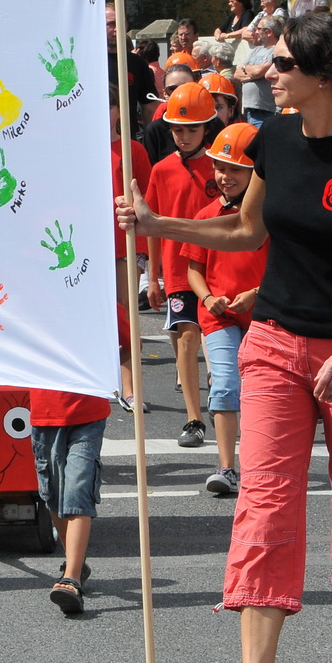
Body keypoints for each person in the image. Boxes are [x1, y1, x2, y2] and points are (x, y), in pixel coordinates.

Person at [118, 12, 332, 663]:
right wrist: (157, 224)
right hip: (275, 346)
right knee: (262, 511)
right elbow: (243, 228)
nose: (267, 70)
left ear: (325, 75)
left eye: (281, 63)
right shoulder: (272, 137)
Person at [182, 122, 267, 499]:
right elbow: (193, 270)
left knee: (263, 393)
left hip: (265, 316)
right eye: (220, 167)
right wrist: (206, 298)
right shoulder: (205, 216)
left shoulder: (271, 216)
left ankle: (261, 464)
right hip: (218, 318)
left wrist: (255, 293)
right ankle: (227, 467)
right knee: (226, 386)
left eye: (236, 169)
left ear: (256, 172)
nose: (225, 176)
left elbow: (289, 269)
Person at [144, 81, 220, 449]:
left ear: (207, 127)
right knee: (187, 338)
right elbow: (152, 228)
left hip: (218, 269)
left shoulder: (221, 167)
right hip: (177, 271)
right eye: (177, 128)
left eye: (191, 128)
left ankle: (228, 405)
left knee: (223, 344)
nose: (184, 135)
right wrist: (152, 277)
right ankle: (194, 417)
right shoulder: (160, 170)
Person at [27, 377, 109, 615]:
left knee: (77, 491)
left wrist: (129, 389)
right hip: (45, 414)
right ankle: (76, 563)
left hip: (87, 413)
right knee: (53, 495)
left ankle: (71, 578)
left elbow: (125, 346)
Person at [110, 83, 150, 410]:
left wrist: (144, 255)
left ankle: (129, 387)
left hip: (123, 246)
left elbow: (149, 203)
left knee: (127, 319)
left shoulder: (133, 151)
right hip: (83, 249)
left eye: (110, 106)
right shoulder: (78, 147)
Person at [234, 22, 277, 129]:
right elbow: (237, 74)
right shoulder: (256, 50)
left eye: (259, 29)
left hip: (265, 113)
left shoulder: (276, 50)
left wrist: (247, 70)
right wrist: (252, 73)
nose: (255, 32)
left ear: (269, 32)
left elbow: (260, 71)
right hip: (249, 112)